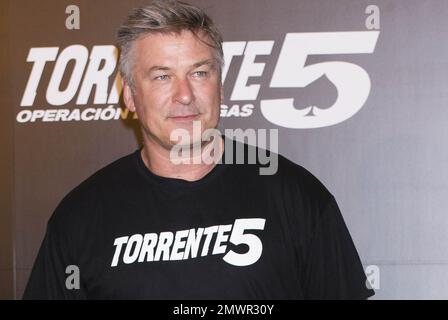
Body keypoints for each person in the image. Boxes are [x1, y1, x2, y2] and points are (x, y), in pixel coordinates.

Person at [23, 0, 374, 300]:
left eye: (199, 73)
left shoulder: (296, 196)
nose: (184, 95)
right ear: (129, 94)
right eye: (162, 76)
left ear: (219, 86)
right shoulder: (80, 216)